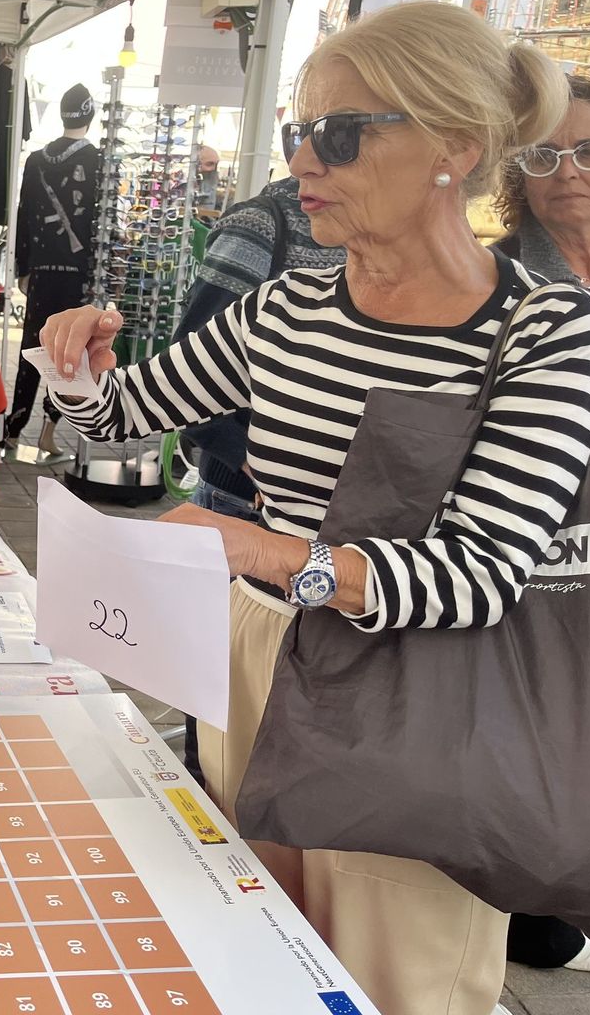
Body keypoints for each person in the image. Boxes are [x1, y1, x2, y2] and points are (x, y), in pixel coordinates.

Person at [42, 0, 590, 1015]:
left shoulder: (541, 327)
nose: (303, 162)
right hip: (258, 669)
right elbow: (125, 417)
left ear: (455, 149)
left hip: (424, 700)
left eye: (338, 136)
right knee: (249, 946)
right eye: (297, 134)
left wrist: (248, 548)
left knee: (401, 979)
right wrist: (76, 370)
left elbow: (477, 577)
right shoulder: (291, 304)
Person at [492, 73, 590, 976]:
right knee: (545, 712)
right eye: (543, 155)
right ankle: (531, 902)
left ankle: (588, 883)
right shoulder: (503, 277)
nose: (569, 173)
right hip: (550, 536)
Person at [171, 175, 345, 782]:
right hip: (242, 501)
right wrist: (257, 458)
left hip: (338, 548)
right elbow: (184, 382)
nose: (312, 155)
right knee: (221, 708)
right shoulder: (263, 225)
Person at [4, 83, 99, 452]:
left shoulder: (36, 159)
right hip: (79, 274)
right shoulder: (97, 159)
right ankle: (48, 428)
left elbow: (24, 215)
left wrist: (23, 268)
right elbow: (100, 222)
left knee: (33, 346)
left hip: (42, 270)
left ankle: (15, 427)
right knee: (71, 352)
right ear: (89, 116)